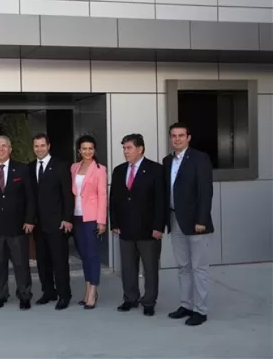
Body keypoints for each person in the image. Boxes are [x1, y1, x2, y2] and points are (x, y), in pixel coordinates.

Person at [164, 123, 214, 326]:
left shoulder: (200, 158)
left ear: (189, 137)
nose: (177, 139)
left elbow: (205, 191)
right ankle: (186, 305)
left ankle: (201, 310)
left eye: (181, 135)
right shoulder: (167, 161)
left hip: (195, 222)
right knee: (183, 267)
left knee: (199, 268)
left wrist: (202, 220)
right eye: (174, 136)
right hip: (175, 219)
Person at [0, 136, 36, 310]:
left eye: (4, 146)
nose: (1, 149)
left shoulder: (22, 169)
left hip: (18, 226)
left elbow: (30, 197)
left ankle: (24, 295)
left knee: (21, 264)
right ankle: (0, 295)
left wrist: (29, 220)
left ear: (10, 149)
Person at [110, 134, 165, 317]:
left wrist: (158, 226)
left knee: (150, 268)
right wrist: (114, 222)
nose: (126, 152)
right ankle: (130, 298)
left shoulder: (156, 169)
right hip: (125, 228)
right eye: (124, 148)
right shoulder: (119, 170)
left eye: (129, 148)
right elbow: (114, 199)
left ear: (140, 149)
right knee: (128, 267)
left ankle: (149, 301)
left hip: (148, 229)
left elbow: (161, 201)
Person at [28, 133, 74, 310]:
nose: (39, 149)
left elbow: (67, 194)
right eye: (36, 146)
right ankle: (48, 292)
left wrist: (67, 218)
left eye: (42, 145)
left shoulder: (61, 166)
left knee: (59, 261)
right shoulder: (30, 167)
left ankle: (64, 295)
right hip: (38, 224)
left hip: (57, 223)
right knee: (42, 262)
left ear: (48, 146)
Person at [70, 135, 107, 310]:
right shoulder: (74, 167)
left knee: (92, 255)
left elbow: (103, 196)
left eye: (90, 148)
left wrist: (101, 221)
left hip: (92, 217)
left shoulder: (100, 169)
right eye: (84, 148)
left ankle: (93, 291)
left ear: (95, 150)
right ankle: (87, 290)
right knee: (84, 254)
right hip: (77, 216)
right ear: (79, 150)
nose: (87, 151)